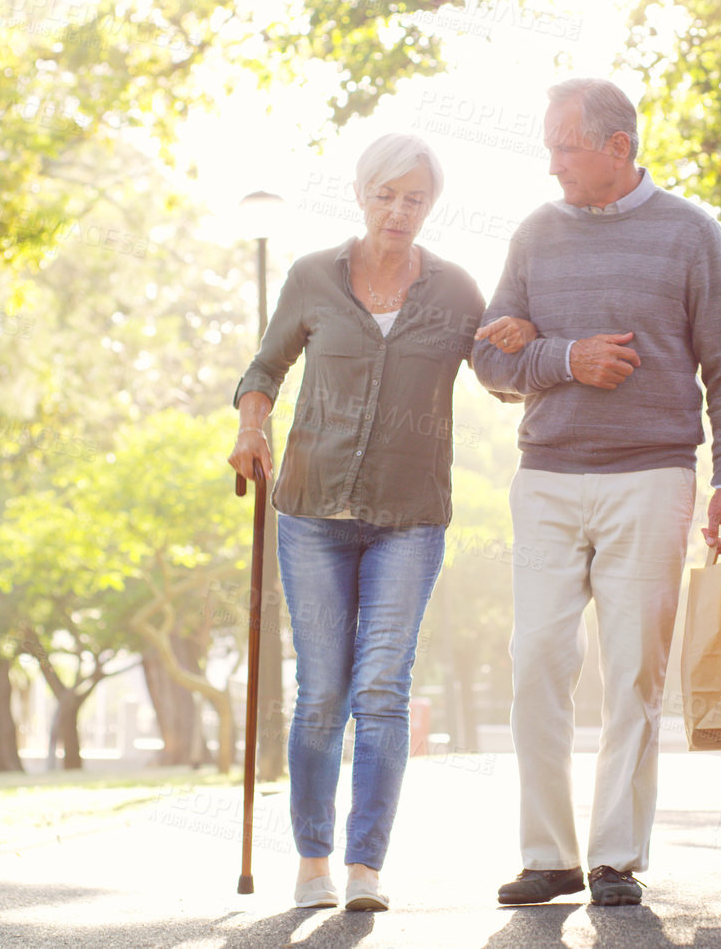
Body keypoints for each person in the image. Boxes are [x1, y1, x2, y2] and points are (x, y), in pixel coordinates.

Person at [229, 133, 536, 912]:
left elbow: (497, 376)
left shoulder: (456, 289)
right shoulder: (310, 277)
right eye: (385, 194)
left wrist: (520, 346)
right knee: (322, 692)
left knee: (381, 688)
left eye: (415, 198)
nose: (398, 210)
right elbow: (264, 368)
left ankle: (365, 867)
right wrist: (251, 428)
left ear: (429, 206)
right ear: (361, 194)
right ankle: (312, 859)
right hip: (312, 509)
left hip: (408, 516)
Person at [471, 78, 721, 907]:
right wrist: (564, 357)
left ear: (617, 148)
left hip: (653, 475)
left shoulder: (691, 233)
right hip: (549, 477)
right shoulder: (533, 233)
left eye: (565, 144)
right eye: (549, 143)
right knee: (537, 663)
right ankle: (548, 854)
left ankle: (614, 857)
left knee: (632, 670)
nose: (551, 160)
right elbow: (488, 360)